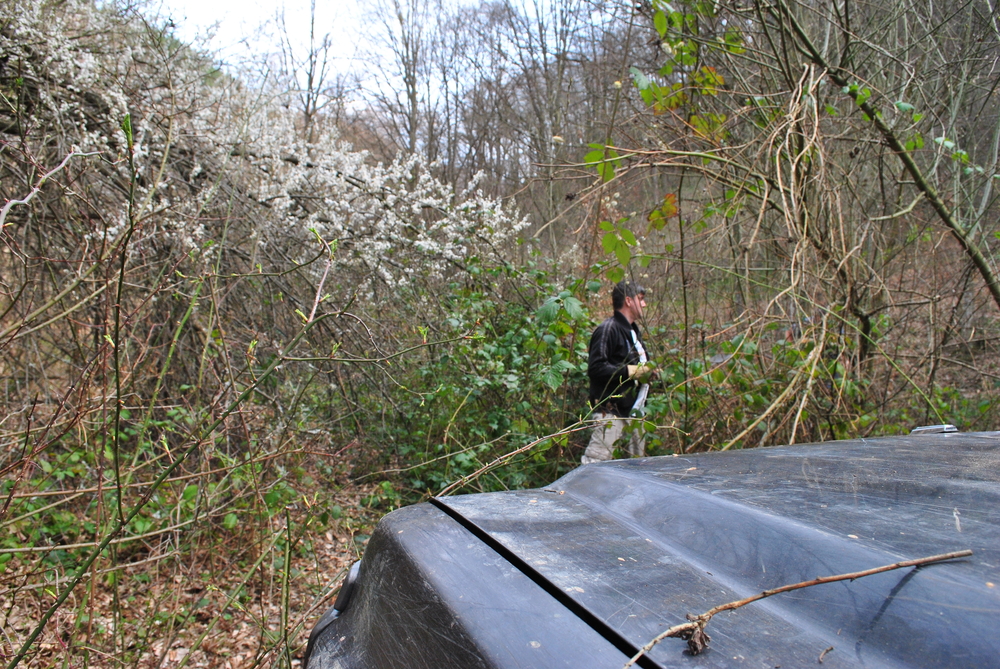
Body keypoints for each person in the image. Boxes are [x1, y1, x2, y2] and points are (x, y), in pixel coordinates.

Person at [581, 280, 657, 464]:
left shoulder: (633, 333)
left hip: (635, 414)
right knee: (594, 469)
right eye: (641, 299)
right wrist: (634, 371)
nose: (644, 304)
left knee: (637, 472)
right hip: (611, 414)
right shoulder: (608, 329)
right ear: (629, 301)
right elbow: (596, 368)